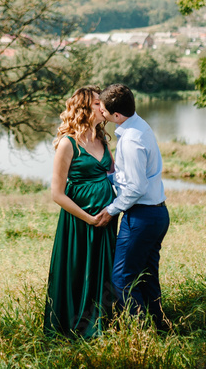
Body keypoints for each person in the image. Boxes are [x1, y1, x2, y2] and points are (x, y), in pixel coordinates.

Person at [44, 86, 118, 338]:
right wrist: (89, 218)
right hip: (80, 222)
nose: (103, 107)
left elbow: (114, 176)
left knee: (104, 270)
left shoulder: (103, 140)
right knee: (79, 270)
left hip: (107, 220)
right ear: (84, 108)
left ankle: (103, 323)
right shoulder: (67, 144)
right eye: (98, 103)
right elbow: (57, 193)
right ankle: (73, 326)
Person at [95, 83, 170, 332]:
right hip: (157, 213)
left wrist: (112, 210)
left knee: (122, 280)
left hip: (141, 216)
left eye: (104, 111)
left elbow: (136, 187)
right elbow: (133, 178)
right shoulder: (138, 125)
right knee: (147, 277)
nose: (101, 114)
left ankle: (141, 332)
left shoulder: (131, 140)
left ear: (116, 115)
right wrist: (109, 177)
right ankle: (161, 327)